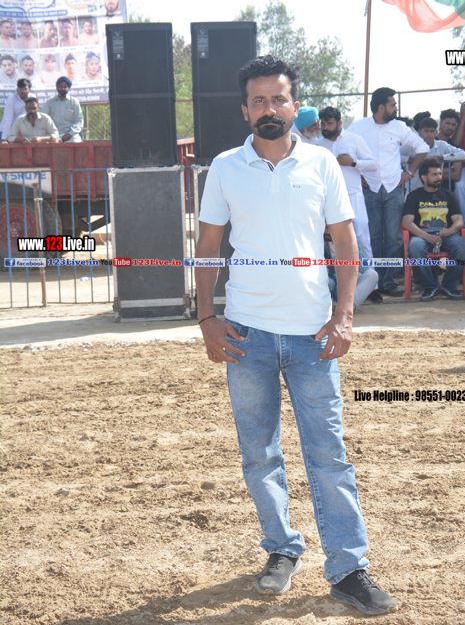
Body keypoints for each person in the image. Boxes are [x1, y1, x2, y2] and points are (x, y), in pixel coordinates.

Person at [195, 55, 397, 615]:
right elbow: (207, 247)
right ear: (245, 109)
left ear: (294, 106)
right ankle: (282, 549)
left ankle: (348, 569)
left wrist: (344, 315)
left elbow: (345, 245)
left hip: (313, 336)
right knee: (259, 455)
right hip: (245, 335)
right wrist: (207, 318)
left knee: (328, 455)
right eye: (258, 100)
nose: (269, 108)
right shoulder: (225, 168)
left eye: (278, 99)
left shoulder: (322, 163)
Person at [347, 87, 428, 296]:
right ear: (381, 107)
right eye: (393, 105)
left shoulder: (399, 127)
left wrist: (410, 172)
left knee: (393, 238)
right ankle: (372, 282)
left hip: (394, 187)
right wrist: (358, 174)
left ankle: (389, 282)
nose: (396, 108)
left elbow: (422, 147)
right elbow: (345, 151)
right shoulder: (358, 127)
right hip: (369, 188)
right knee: (372, 237)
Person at [317, 106, 379, 299]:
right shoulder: (318, 145)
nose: (325, 127)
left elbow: (374, 165)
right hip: (327, 199)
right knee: (328, 240)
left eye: (329, 123)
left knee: (362, 239)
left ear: (339, 123)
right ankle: (334, 286)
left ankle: (371, 288)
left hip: (353, 197)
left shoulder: (354, 140)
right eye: (323, 123)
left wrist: (353, 163)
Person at [402, 158, 465, 301]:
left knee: (464, 248)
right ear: (424, 177)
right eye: (434, 174)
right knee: (415, 248)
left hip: (446, 235)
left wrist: (450, 230)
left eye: (440, 174)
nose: (439, 177)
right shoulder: (414, 196)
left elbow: (459, 221)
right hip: (422, 235)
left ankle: (449, 285)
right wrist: (427, 236)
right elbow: (407, 223)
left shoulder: (449, 195)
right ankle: (430, 286)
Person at [324, 227, 379, 311]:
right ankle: (332, 306)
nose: (327, 232)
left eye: (330, 228)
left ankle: (347, 307)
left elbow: (363, 267)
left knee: (372, 275)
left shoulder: (351, 240)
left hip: (347, 287)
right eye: (326, 228)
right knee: (328, 282)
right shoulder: (319, 241)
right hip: (328, 287)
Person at [406, 117, 465, 191]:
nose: (429, 134)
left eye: (432, 131)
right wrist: (410, 159)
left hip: (435, 190)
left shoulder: (442, 145)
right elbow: (395, 155)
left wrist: (440, 157)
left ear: (436, 132)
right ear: (419, 132)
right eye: (426, 131)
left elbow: (464, 155)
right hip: (413, 189)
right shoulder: (410, 146)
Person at [41, 76, 83, 142]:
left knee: (76, 141)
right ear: (57, 87)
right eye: (60, 86)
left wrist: (70, 134)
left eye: (65, 87)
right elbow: (43, 116)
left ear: (68, 88)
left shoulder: (74, 101)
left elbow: (79, 120)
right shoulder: (50, 101)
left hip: (70, 134)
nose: (62, 88)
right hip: (53, 133)